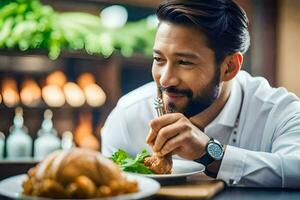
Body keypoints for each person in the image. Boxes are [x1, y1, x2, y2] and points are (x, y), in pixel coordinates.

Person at [102, 0, 300, 188]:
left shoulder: (279, 111)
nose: (165, 80)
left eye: (184, 62)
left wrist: (210, 153)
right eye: (159, 59)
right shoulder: (127, 117)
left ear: (229, 67)